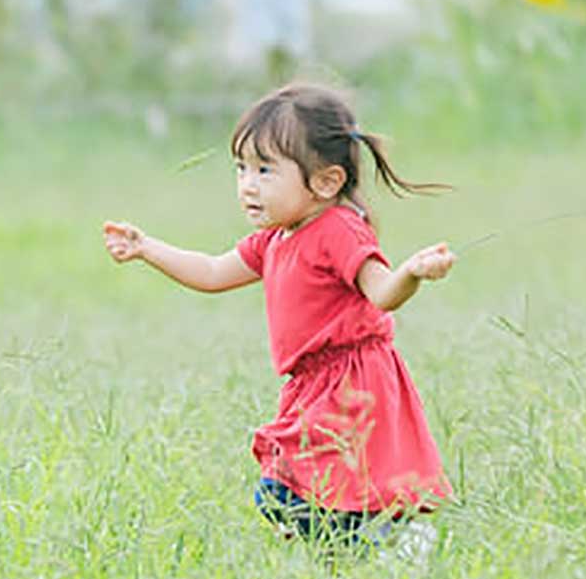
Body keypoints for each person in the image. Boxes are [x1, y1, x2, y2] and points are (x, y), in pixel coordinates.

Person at [103, 83, 455, 554]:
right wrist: (148, 248)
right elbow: (210, 272)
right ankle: (370, 549)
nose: (248, 184)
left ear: (327, 181)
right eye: (241, 168)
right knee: (306, 494)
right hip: (309, 383)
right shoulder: (276, 239)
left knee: (288, 491)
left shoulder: (338, 230)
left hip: (351, 383)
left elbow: (382, 292)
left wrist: (412, 271)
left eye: (265, 170)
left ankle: (394, 540)